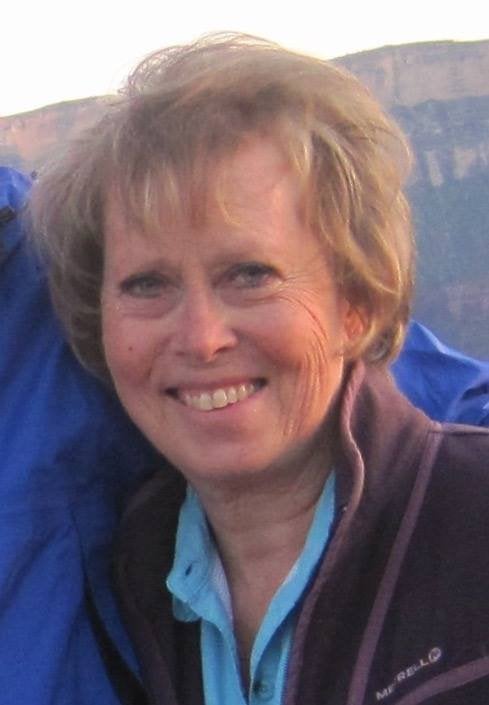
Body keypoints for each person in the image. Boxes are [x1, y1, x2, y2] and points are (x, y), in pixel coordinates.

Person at [27, 33, 489, 705]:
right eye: (147, 284)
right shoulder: (133, 587)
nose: (201, 337)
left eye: (249, 274)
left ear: (355, 302)